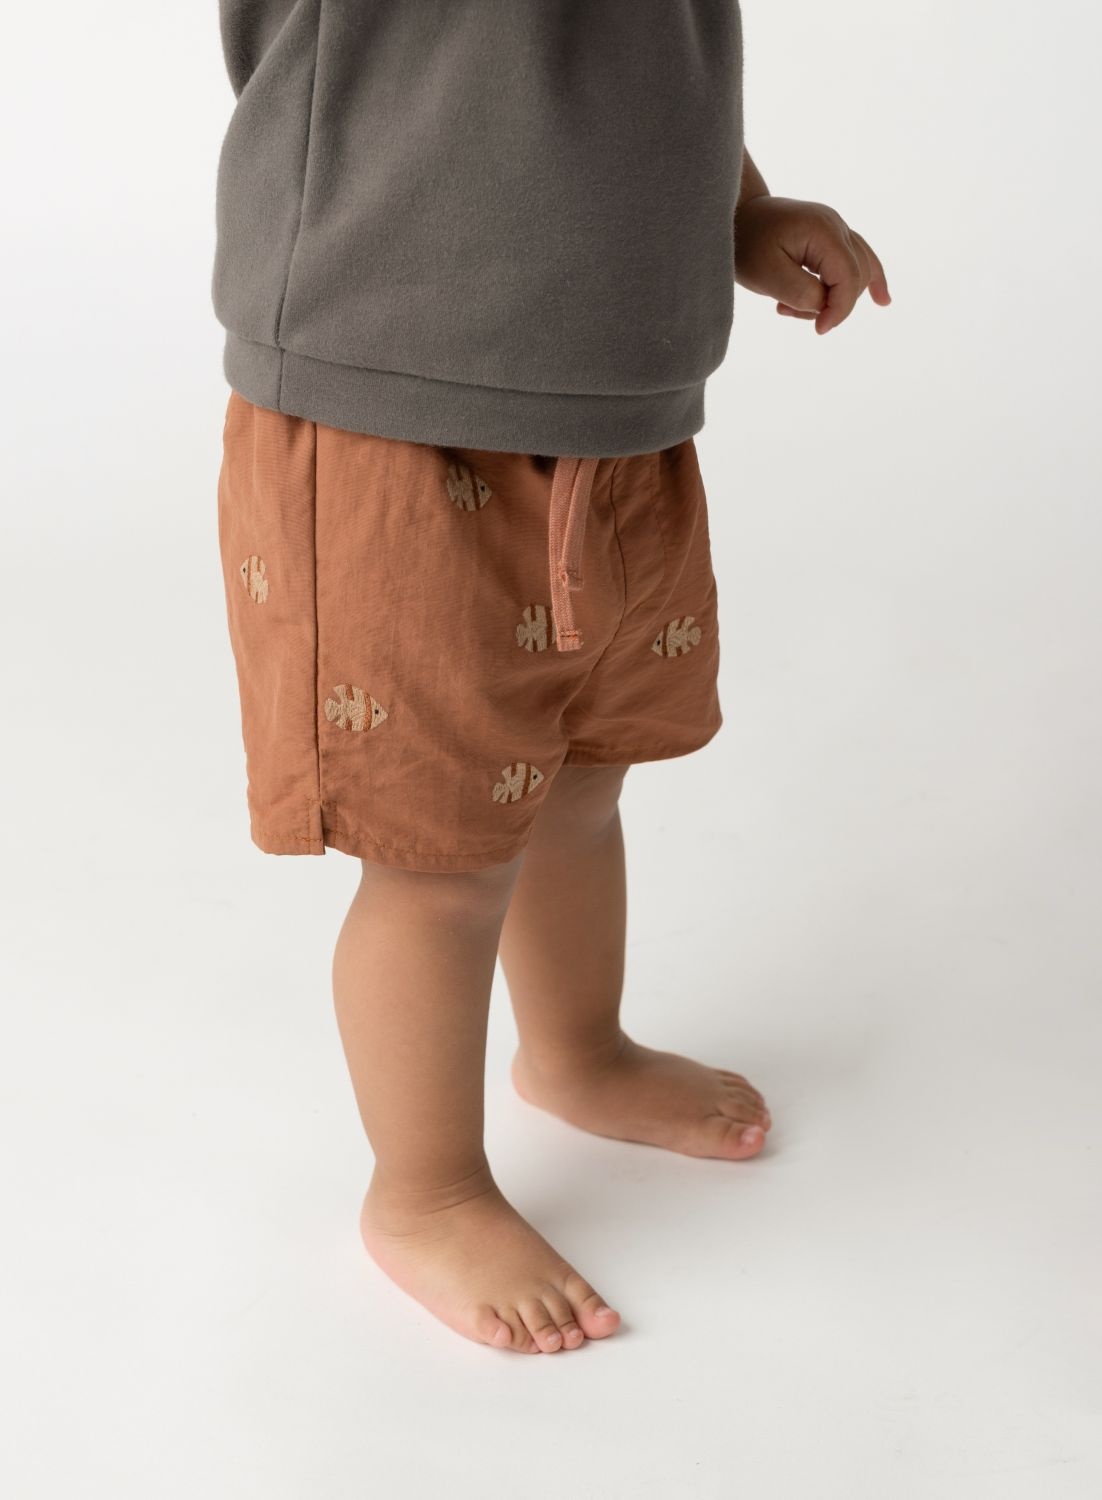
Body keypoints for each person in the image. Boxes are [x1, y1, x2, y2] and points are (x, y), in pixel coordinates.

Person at [212, 0, 889, 1355]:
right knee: (439, 861)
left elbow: (630, 63)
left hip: (618, 418)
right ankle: (425, 1193)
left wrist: (737, 210)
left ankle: (578, 1050)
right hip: (391, 415)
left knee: (582, 782)